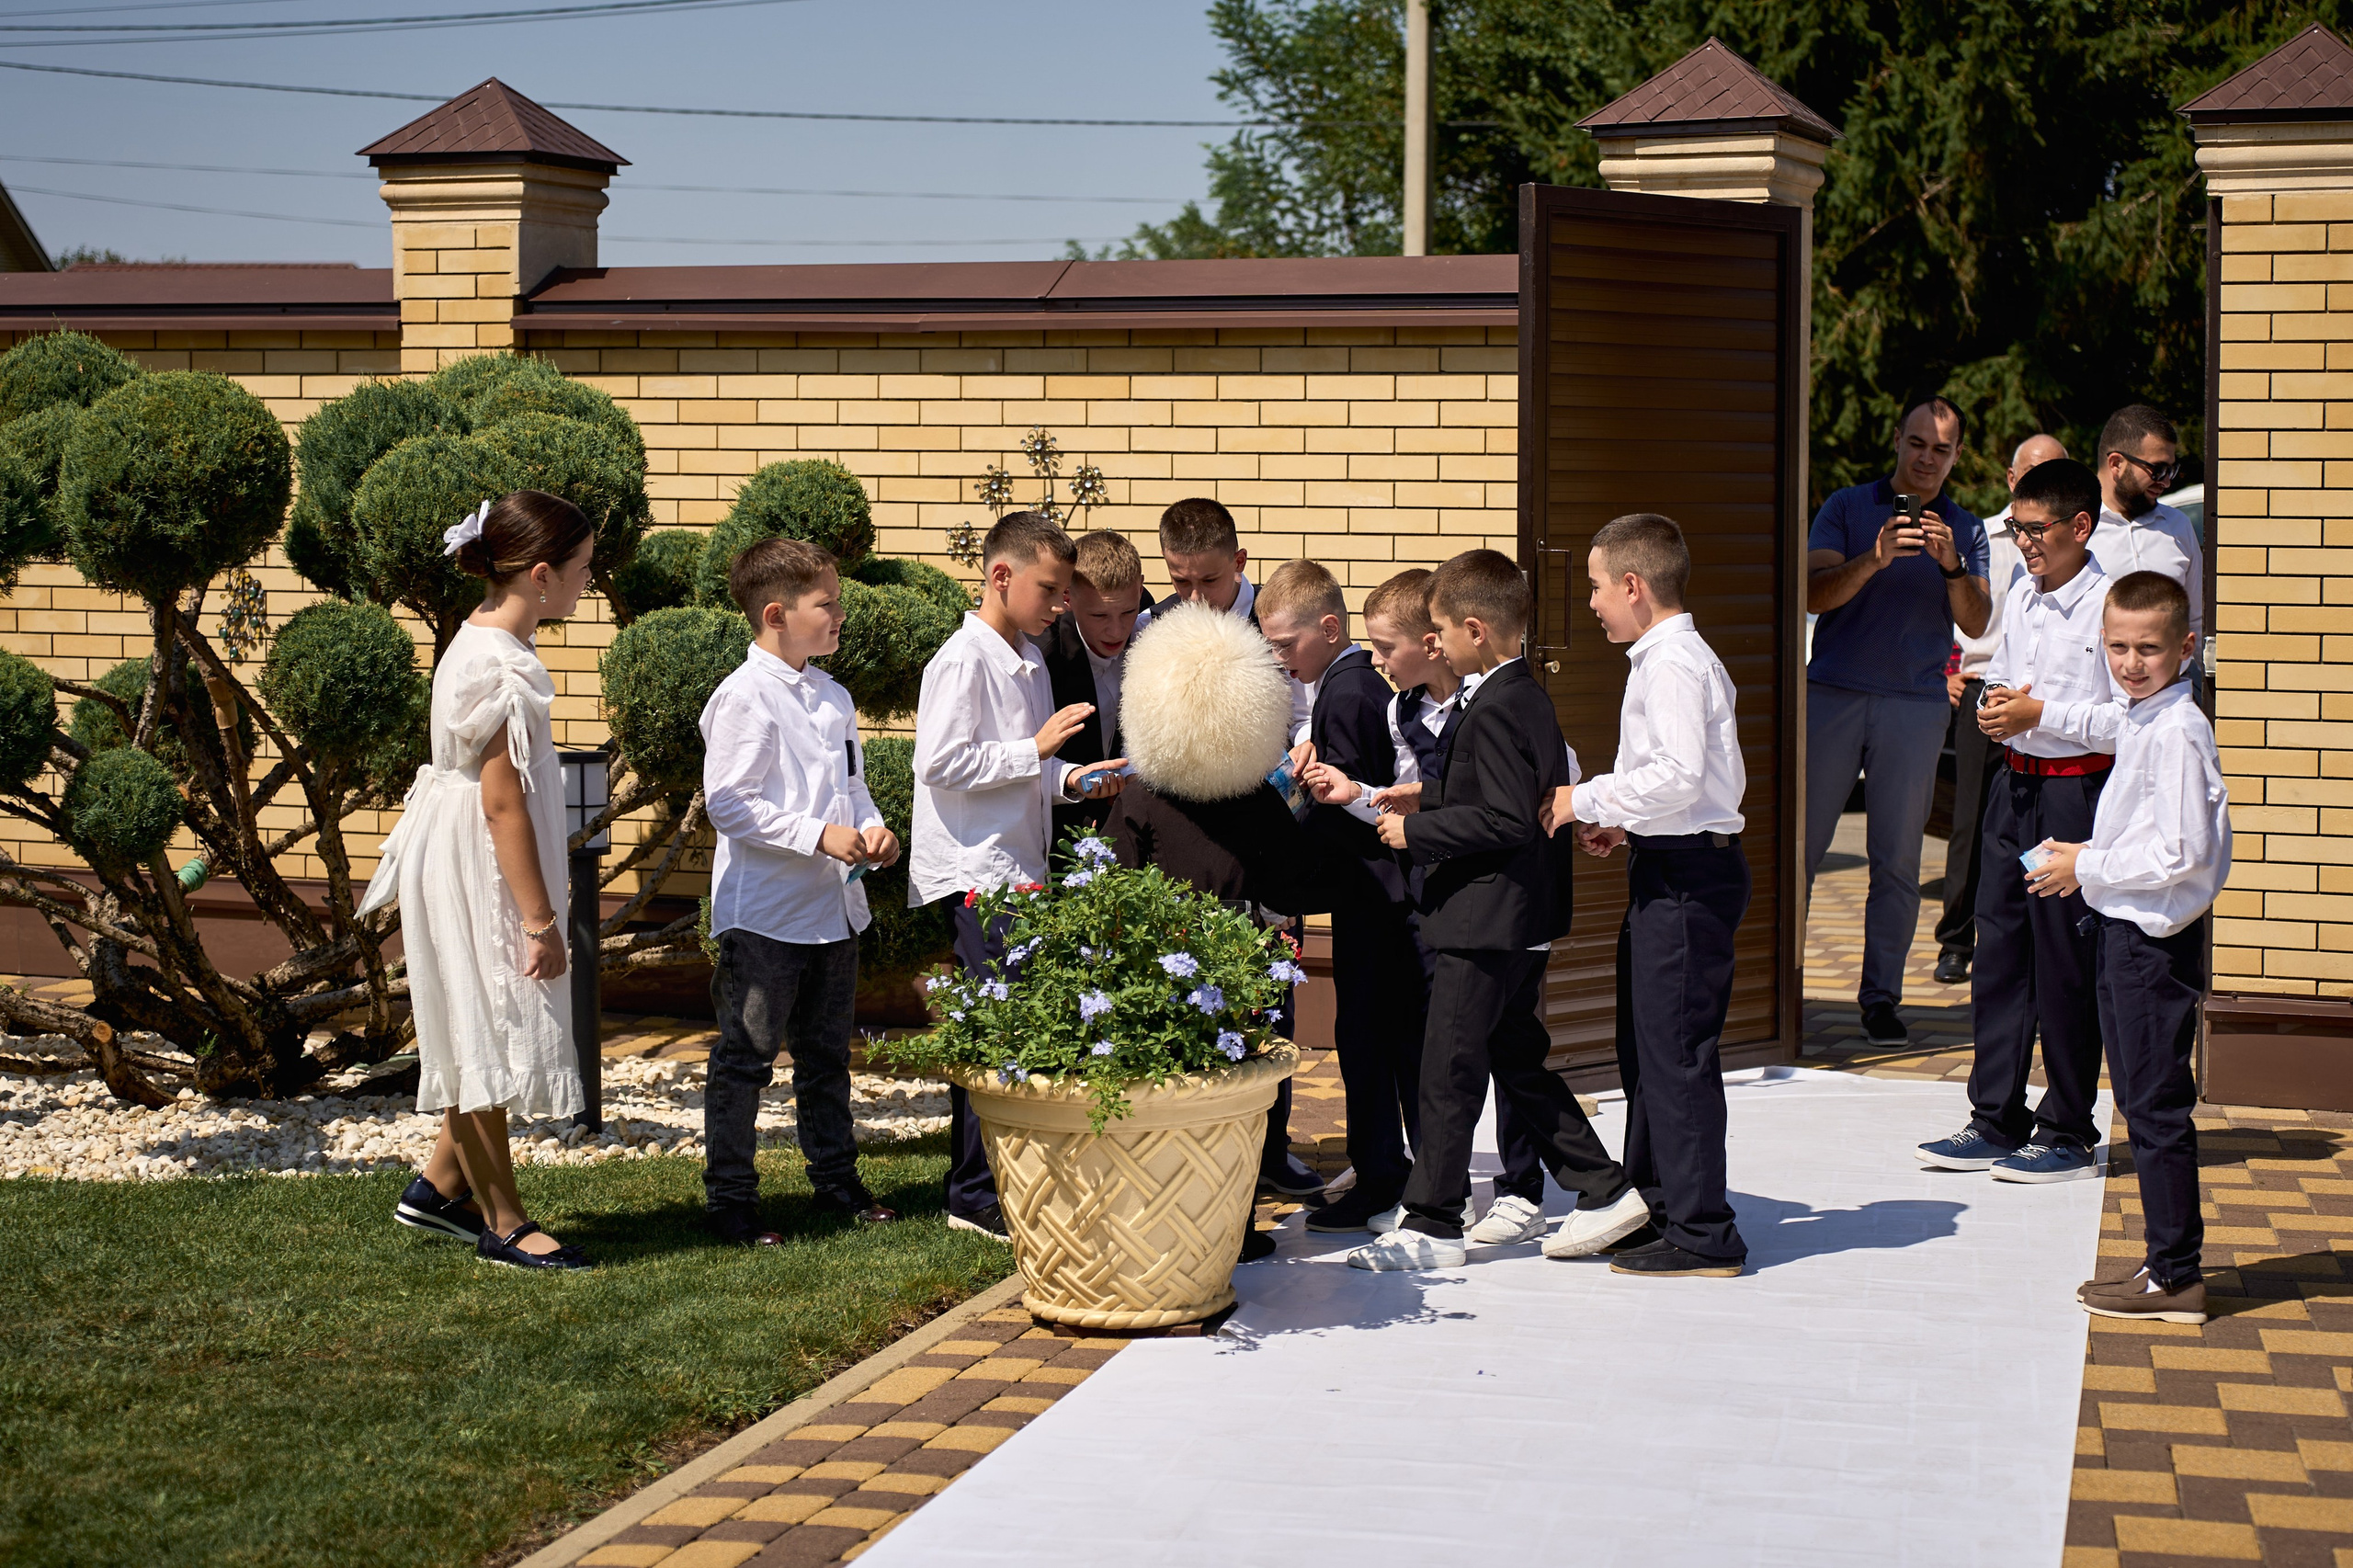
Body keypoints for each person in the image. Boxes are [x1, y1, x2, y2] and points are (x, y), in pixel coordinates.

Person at [1347, 551, 1644, 1272]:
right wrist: (1428, 799)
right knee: (1514, 1059)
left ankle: (1434, 1223)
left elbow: (1511, 820)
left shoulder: (1505, 702)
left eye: (1442, 630)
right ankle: (1604, 1188)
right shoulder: (1514, 696)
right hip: (1505, 917)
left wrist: (1415, 831)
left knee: (1447, 1068)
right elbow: (1501, 798)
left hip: (1485, 920)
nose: (1435, 644)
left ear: (1475, 631)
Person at [378, 490, 596, 1271]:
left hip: (461, 844)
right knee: (480, 1026)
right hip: (477, 858)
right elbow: (503, 799)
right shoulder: (502, 663)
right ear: (540, 575)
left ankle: (438, 1188)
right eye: (581, 570)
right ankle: (503, 1222)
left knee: (479, 1017)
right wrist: (542, 922)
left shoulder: (478, 643)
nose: (587, 584)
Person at [1301, 568, 1552, 1242]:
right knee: (1451, 1053)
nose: (1376, 662)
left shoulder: (1495, 703)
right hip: (1441, 902)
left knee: (1508, 1043)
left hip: (1502, 902)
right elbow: (1402, 797)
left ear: (1434, 642)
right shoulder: (1400, 710)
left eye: (1387, 647)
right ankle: (1439, 1194)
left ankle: (1523, 1186)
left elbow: (1525, 799)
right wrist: (1352, 791)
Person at [1105, 600, 1346, 1261]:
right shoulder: (1256, 800)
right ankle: (1231, 1229)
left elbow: (1109, 890)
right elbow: (1294, 886)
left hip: (1160, 973)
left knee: (1169, 1101)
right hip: (1242, 973)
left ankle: (1168, 1224)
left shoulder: (1140, 795)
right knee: (1241, 1104)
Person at [911, 511, 1127, 1239]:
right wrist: (1034, 749)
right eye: (1052, 589)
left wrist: (1077, 781)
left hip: (1020, 870)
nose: (1061, 605)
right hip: (977, 872)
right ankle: (972, 1193)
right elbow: (939, 765)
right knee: (994, 1032)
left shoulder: (1029, 660)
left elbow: (1029, 770)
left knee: (1010, 1028)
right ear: (1000, 576)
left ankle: (998, 1182)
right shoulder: (962, 660)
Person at [1916, 459, 2121, 1184]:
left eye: (2034, 530)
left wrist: (2044, 715)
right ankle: (1995, 1117)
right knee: (2000, 950)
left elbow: (2129, 718)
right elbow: (2001, 670)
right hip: (2018, 789)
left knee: (2064, 960)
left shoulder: (2113, 605)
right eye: (2015, 528)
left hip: (2075, 797)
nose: (2023, 542)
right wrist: (1998, 704)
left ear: (2079, 527)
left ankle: (2067, 1126)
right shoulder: (2027, 596)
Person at [2030, 572, 2227, 1325]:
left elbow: (2181, 855)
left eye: (2148, 648)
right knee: (2145, 1108)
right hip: (2128, 933)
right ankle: (2164, 1265)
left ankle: (2175, 1277)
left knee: (2153, 1110)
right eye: (2116, 646)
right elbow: (2150, 835)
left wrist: (2088, 866)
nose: (2130, 662)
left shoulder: (2177, 729)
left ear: (2184, 646)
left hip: (2152, 945)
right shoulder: (2144, 715)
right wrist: (2087, 850)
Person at [698, 537, 902, 1246]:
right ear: (778, 614)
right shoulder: (745, 698)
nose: (841, 614)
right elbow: (729, 803)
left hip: (832, 911)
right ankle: (730, 1199)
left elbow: (852, 788)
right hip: (767, 917)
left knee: (827, 1057)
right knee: (746, 1059)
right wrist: (818, 836)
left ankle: (837, 1183)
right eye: (829, 603)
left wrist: (873, 831)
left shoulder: (833, 696)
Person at [1568, 515, 1753, 1278]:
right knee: (1647, 1049)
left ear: (1635, 587)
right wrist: (1621, 818)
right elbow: (1677, 781)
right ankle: (1663, 1206)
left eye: (1597, 586)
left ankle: (1706, 1231)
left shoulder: (1673, 663)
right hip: (1667, 864)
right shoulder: (1661, 657)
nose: (1592, 602)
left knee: (1675, 1053)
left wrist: (1581, 801)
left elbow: (1678, 776)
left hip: (1688, 878)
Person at [1132, 496, 1320, 1199]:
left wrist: (1294, 759)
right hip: (1184, 837)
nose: (1191, 596)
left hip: (1268, 831)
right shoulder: (1160, 627)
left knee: (1272, 1000)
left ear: (1239, 565)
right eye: (1178, 580)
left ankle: (1271, 1150)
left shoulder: (1271, 621)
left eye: (1207, 581)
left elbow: (1307, 711)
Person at [1803, 395, 1993, 1047]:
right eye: (1918, 443)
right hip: (1831, 693)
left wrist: (1951, 567)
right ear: (1897, 440)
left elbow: (1976, 622)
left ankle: (1880, 998)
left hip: (1914, 707)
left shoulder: (1965, 529)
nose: (1928, 459)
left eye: (1942, 449)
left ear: (1957, 456)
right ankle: (1783, 989)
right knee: (1800, 852)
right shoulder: (1847, 508)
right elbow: (1811, 593)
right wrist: (1877, 557)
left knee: (1898, 863)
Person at [1258, 560, 1417, 1228]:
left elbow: (1355, 799)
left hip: (1371, 895)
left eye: (1285, 645)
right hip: (1372, 894)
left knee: (1368, 1038)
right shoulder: (1344, 684)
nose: (1278, 658)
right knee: (1376, 1036)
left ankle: (1382, 1174)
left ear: (1329, 628)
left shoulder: (1346, 691)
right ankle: (1392, 1164)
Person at [1936, 434, 2066, 984]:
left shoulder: (2080, 539)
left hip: (2049, 701)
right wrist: (1946, 669)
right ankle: (1955, 940)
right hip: (1982, 688)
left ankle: (2038, 937)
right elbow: (1943, 605)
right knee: (1971, 820)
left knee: (2041, 819)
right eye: (2031, 474)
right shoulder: (1979, 535)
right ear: (2011, 480)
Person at [1040, 528, 1154, 839]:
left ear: (1140, 589)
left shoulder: (1154, 631)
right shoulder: (1042, 656)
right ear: (1068, 598)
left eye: (1128, 611)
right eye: (1099, 615)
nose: (1117, 630)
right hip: (1057, 829)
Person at [2093, 404, 2205, 642]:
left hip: (2174, 679)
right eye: (2158, 469)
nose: (2166, 482)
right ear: (2116, 464)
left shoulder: (2178, 526)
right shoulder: (2077, 529)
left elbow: (2196, 620)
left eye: (2172, 470)